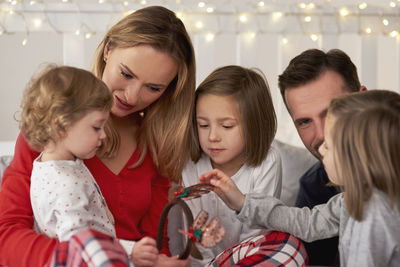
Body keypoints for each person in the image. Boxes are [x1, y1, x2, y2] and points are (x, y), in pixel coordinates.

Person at [0, 5, 195, 267]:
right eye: (126, 74)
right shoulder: (52, 130)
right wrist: (84, 257)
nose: (132, 96)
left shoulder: (155, 144)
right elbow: (7, 235)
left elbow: (154, 245)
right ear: (108, 49)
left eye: (153, 88)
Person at [200, 90, 400, 267]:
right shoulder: (351, 199)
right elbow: (308, 223)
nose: (320, 150)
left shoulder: (374, 214)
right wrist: (243, 202)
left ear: (357, 157)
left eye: (328, 146)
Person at [181, 65, 282, 266]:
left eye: (227, 126)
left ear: (254, 124)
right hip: (199, 262)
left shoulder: (268, 161)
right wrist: (204, 248)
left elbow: (257, 233)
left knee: (290, 245)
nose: (212, 137)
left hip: (248, 259)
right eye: (203, 125)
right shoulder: (189, 164)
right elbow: (189, 234)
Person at [278, 48, 366, 265]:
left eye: (331, 112)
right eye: (305, 122)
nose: (322, 135)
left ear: (364, 100)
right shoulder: (314, 186)